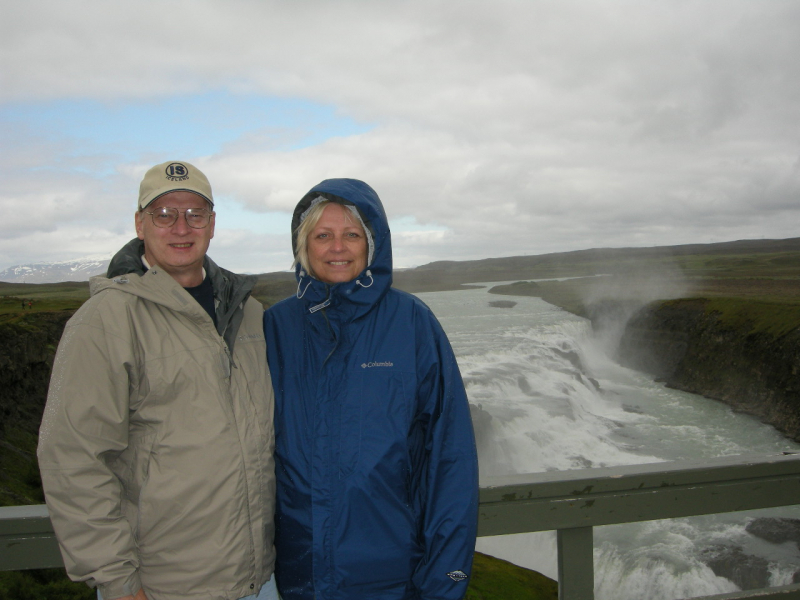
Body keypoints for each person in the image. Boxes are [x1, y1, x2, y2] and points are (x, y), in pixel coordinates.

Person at [38, 161, 278, 600]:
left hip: (258, 578)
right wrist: (118, 581)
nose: (181, 227)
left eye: (195, 213)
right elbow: (72, 459)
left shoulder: (250, 315)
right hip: (160, 586)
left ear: (212, 224)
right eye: (164, 214)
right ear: (140, 223)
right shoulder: (105, 321)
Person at [263, 178, 479, 600]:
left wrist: (445, 582)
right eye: (322, 235)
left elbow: (449, 461)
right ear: (303, 245)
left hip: (391, 576)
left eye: (352, 234)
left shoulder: (413, 324)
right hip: (293, 578)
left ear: (373, 243)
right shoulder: (276, 327)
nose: (337, 247)